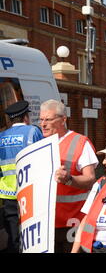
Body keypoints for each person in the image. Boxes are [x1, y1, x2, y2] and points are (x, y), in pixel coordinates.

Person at [39, 99, 98, 253]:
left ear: (63, 120)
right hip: (47, 221)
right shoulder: (40, 145)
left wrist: (69, 179)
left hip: (73, 220)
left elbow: (90, 179)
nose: (43, 124)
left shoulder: (80, 142)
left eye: (48, 119)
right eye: (41, 119)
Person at [0, 100, 43, 252]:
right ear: (26, 117)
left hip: (7, 193)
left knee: (12, 233)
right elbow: (42, 159)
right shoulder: (33, 131)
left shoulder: (1, 136)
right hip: (29, 190)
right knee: (31, 229)